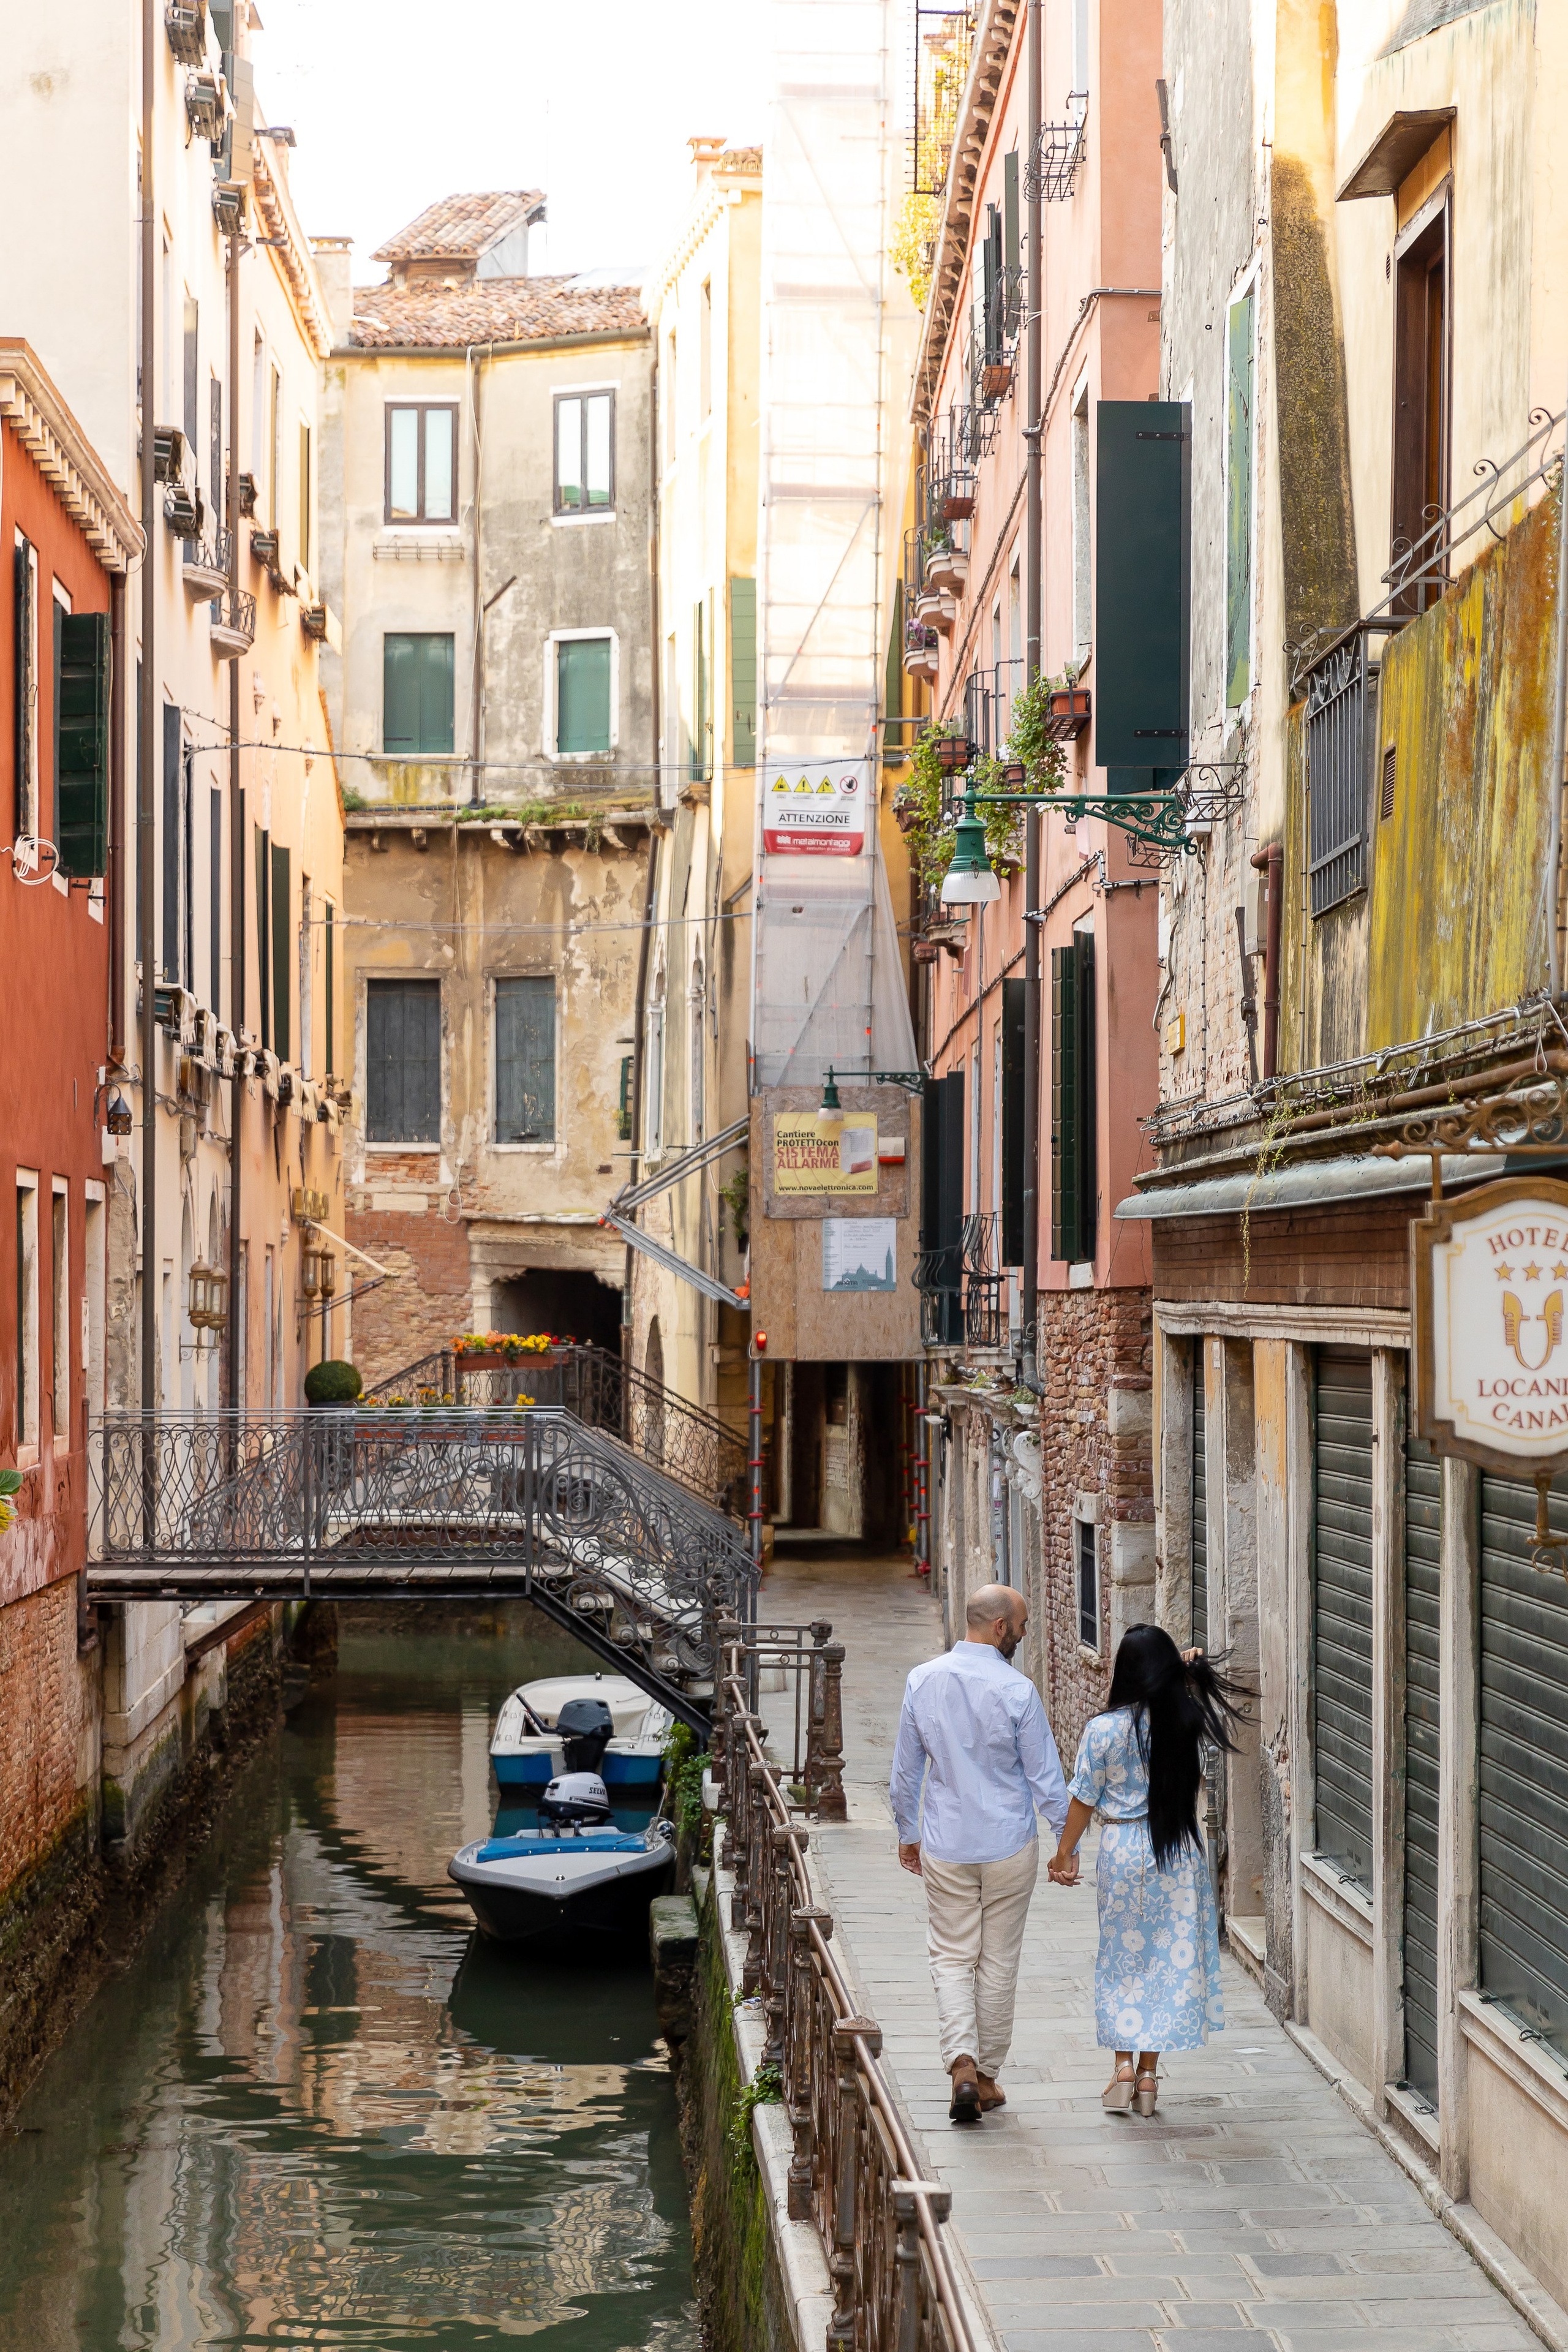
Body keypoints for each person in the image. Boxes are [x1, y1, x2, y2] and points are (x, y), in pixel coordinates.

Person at [1047, 1623, 1246, 2117]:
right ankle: (1150, 2076)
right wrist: (1183, 1673)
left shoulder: (1104, 1730)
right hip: (1178, 1854)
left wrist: (1063, 1853)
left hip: (1122, 1850)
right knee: (1165, 1962)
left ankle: (1121, 2067)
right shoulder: (1187, 1722)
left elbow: (1082, 1798)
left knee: (1123, 1961)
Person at [889, 1583, 1069, 2125]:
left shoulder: (922, 1680)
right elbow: (1046, 1778)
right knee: (998, 1960)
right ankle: (986, 2076)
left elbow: (905, 1771)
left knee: (950, 1956)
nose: (1022, 1633)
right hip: (1009, 1844)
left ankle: (962, 2065)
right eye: (1021, 1624)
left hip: (946, 1842)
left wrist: (907, 1831)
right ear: (999, 1628)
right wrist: (1068, 1845)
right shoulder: (1018, 1691)